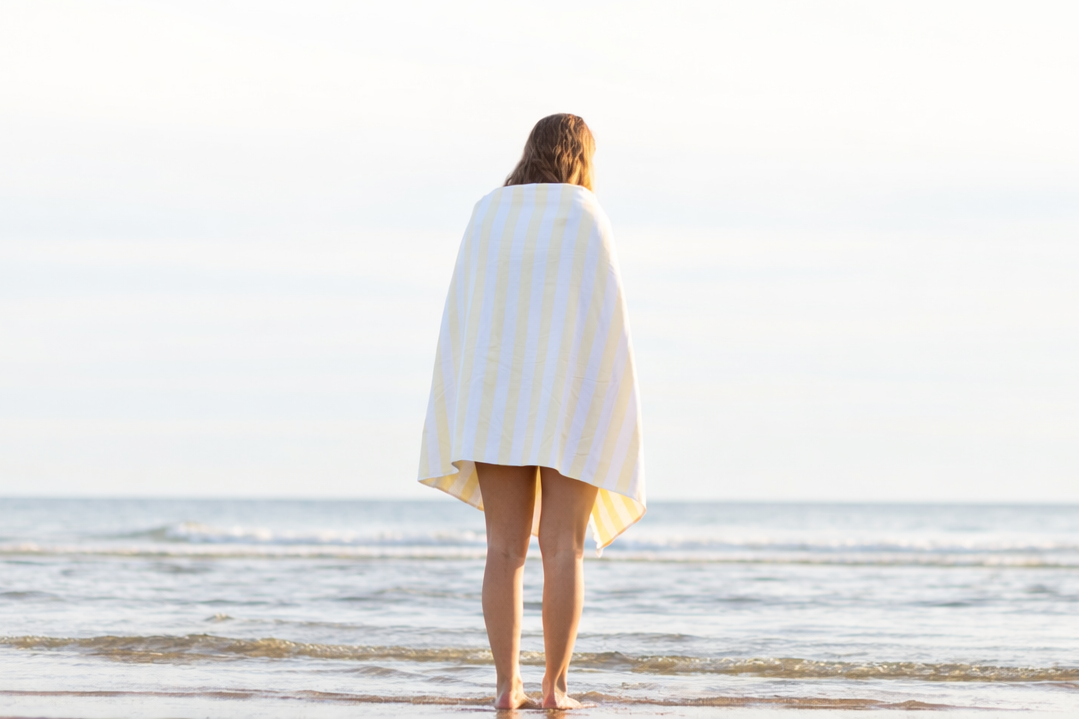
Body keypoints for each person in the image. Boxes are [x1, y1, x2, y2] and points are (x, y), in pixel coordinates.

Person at [417, 113, 646, 709]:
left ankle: (505, 688)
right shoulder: (585, 213)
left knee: (504, 551)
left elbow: (466, 314)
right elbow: (606, 326)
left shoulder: (487, 213)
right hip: (568, 402)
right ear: (582, 157)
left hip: (496, 401)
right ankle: (554, 688)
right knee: (562, 549)